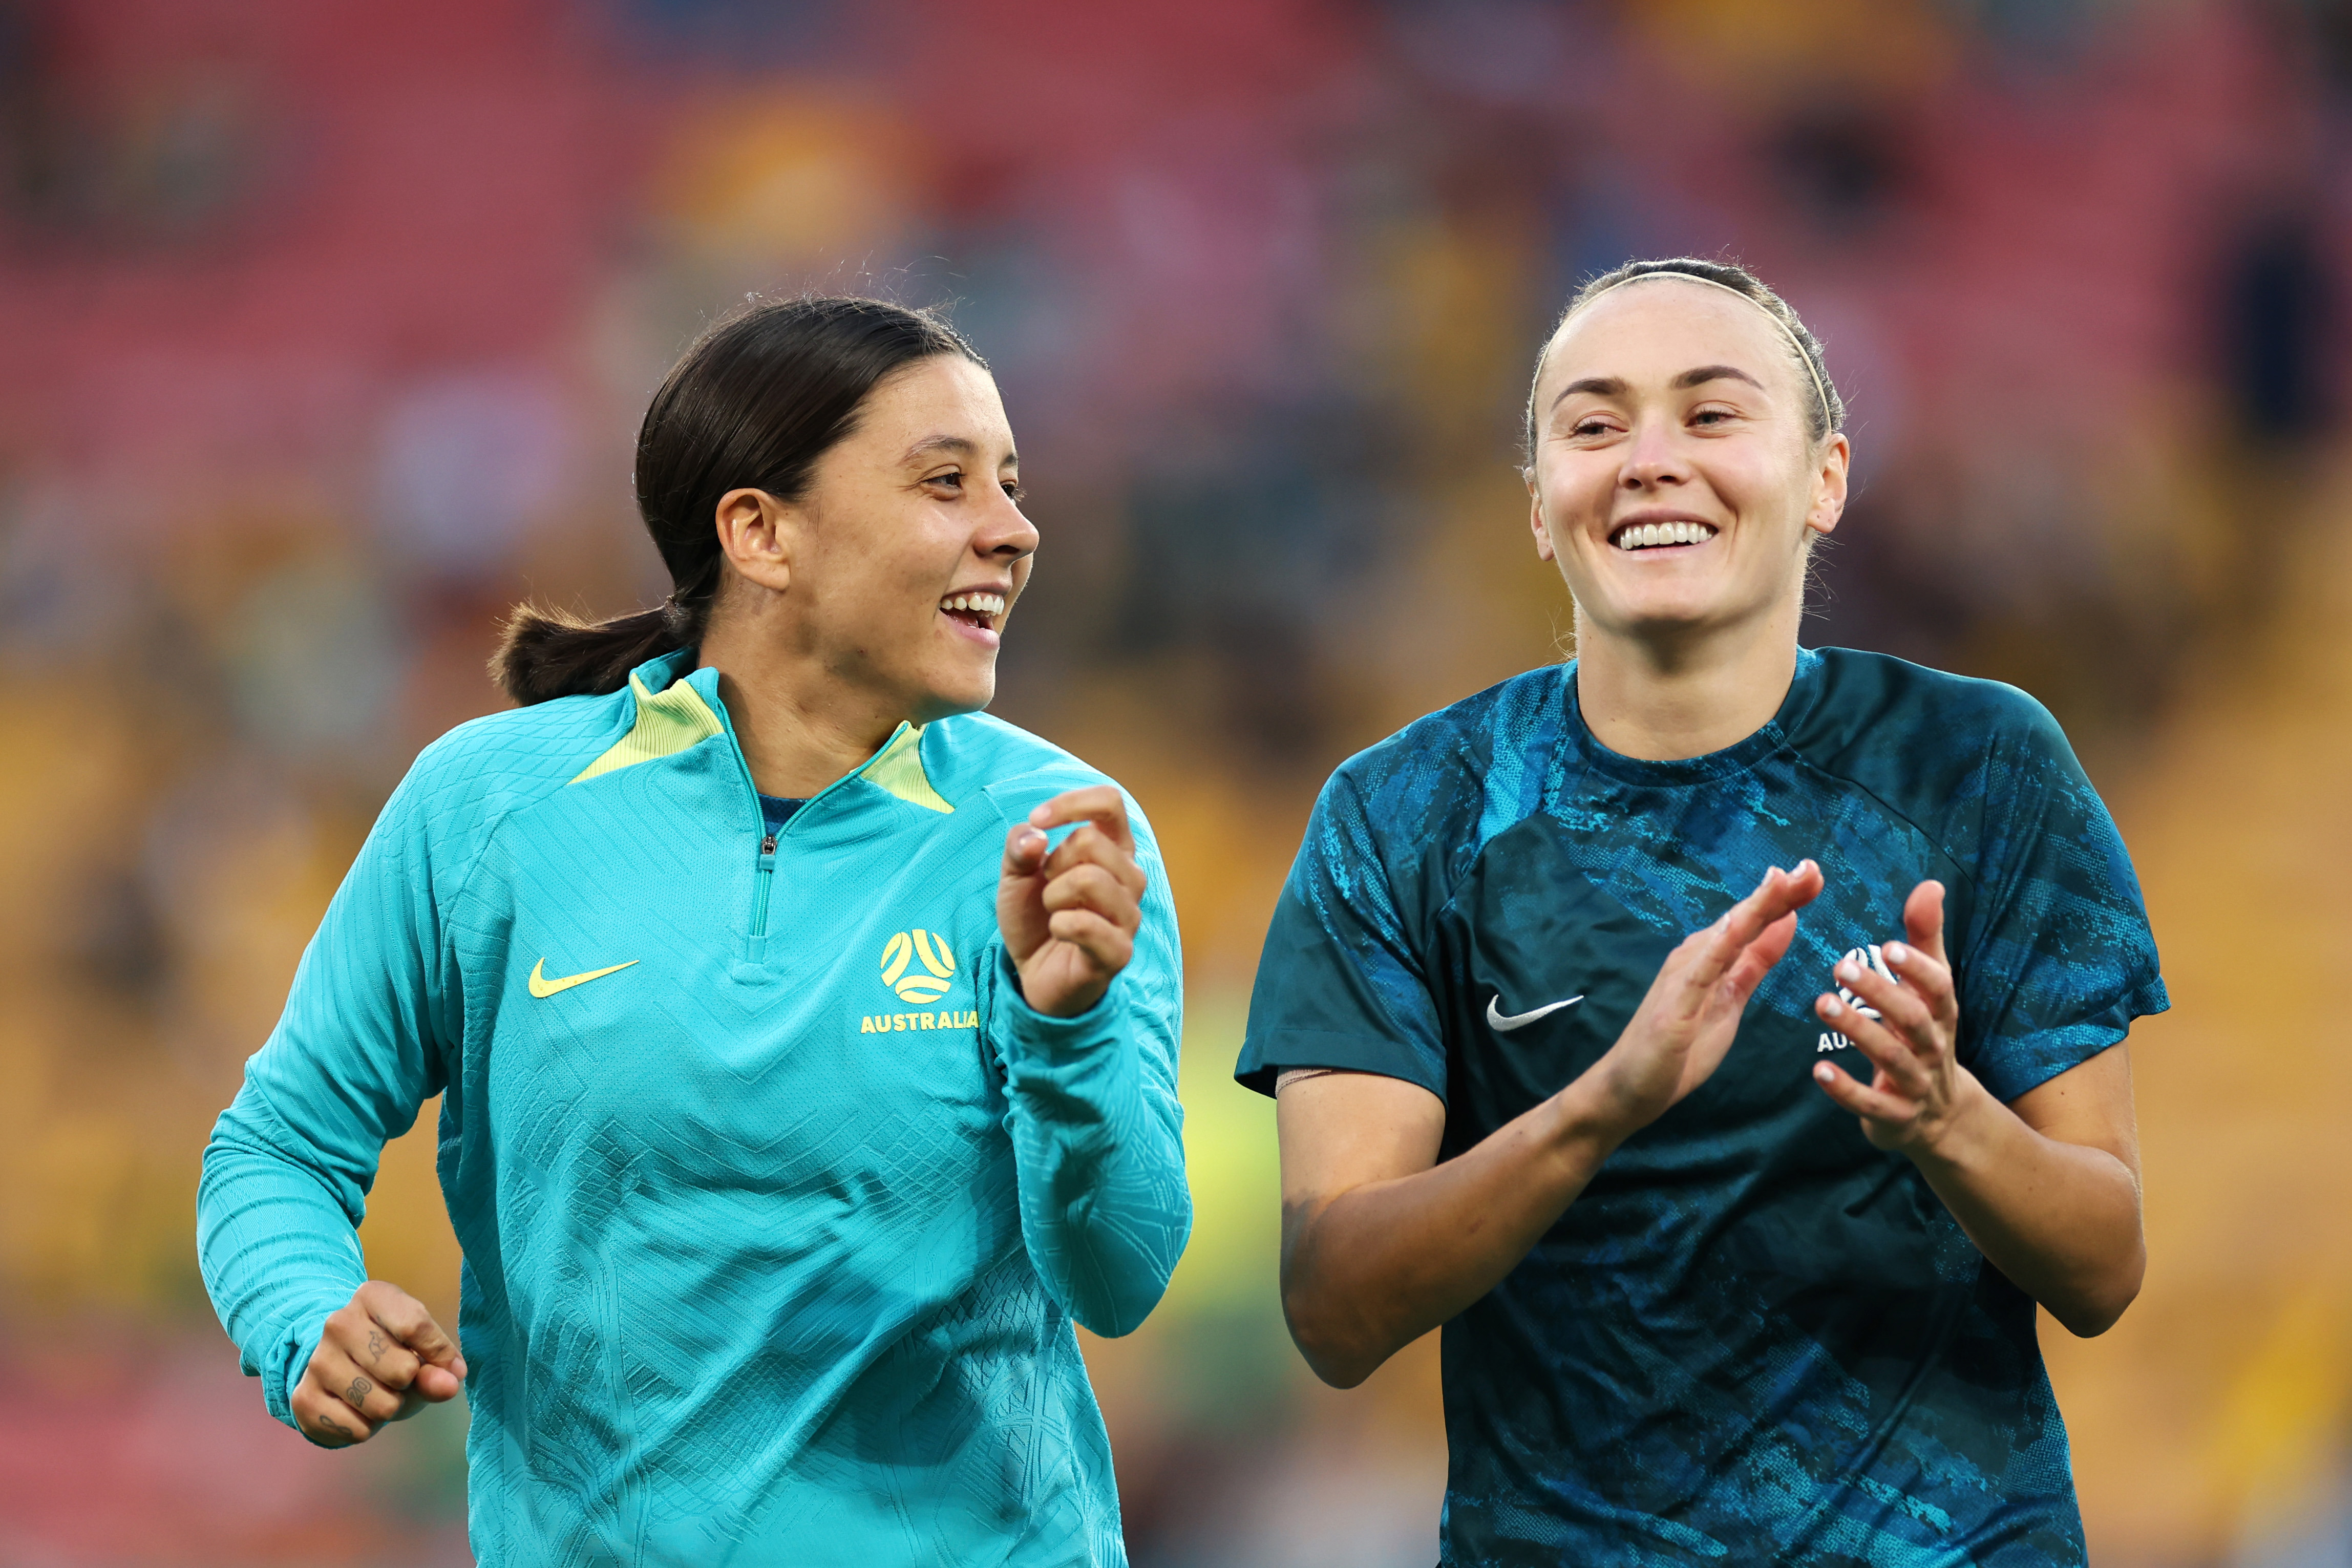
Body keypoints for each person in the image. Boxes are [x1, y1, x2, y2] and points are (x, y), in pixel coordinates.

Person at [198, 296, 1190, 1566]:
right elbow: (278, 1145)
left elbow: (1119, 1279)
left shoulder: (1056, 833)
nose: (1014, 528)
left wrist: (1068, 1028)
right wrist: (304, 1314)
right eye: (946, 484)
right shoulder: (491, 808)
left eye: (1009, 482)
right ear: (760, 533)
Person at [1237, 257, 2165, 1564]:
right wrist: (1602, 1103)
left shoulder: (1980, 765)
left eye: (1711, 413)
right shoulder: (1404, 816)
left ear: (1824, 480)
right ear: (1537, 505)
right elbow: (1333, 1309)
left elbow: (2103, 1265)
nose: (1648, 459)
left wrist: (1944, 1116)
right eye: (1594, 423)